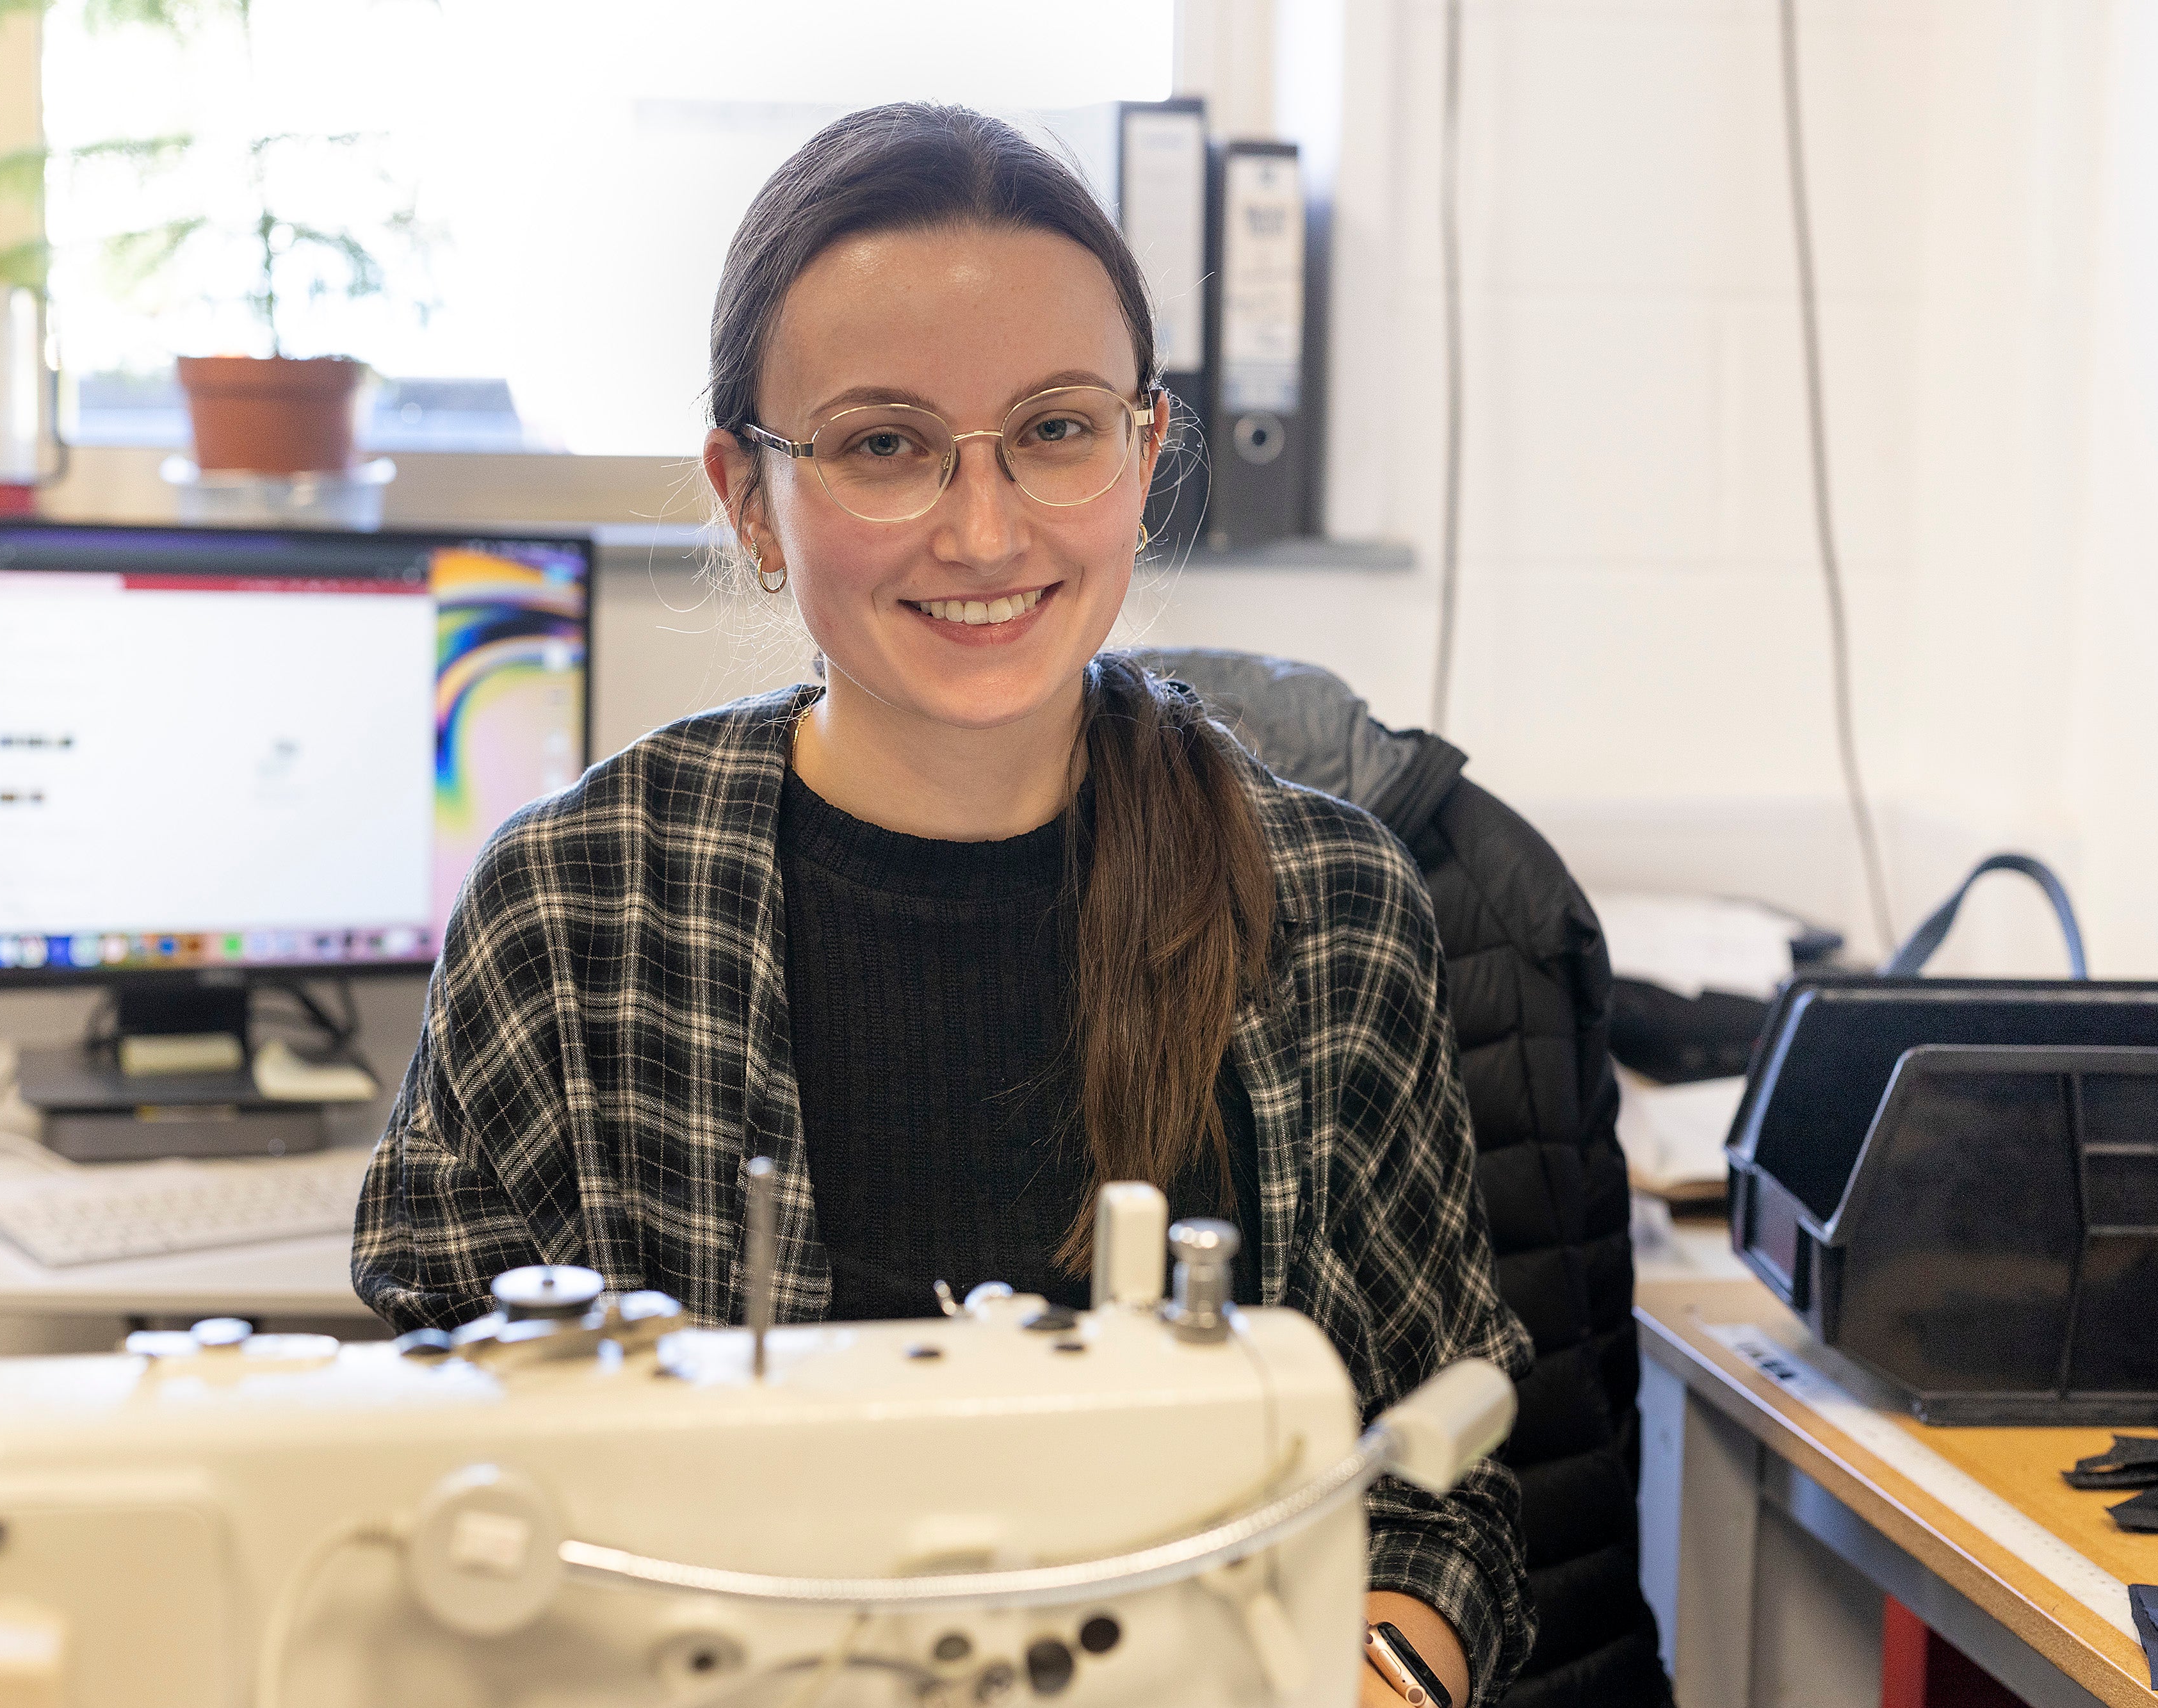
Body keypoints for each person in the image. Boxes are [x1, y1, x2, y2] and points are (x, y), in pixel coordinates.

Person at [353, 102, 1534, 1708]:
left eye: (1055, 428)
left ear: (1144, 447)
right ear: (750, 496)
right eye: (884, 443)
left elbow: (1435, 1477)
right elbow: (422, 1488)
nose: (984, 532)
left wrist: (1385, 1668)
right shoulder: (574, 907)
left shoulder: (1326, 902)